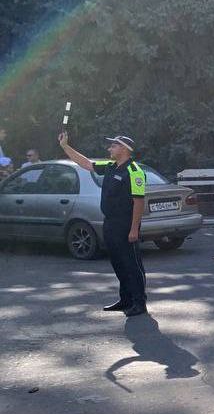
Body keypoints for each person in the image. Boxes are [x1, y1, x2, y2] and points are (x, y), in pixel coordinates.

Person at [58, 132, 148, 316]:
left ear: (124, 149)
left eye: (113, 146)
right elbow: (86, 163)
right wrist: (65, 147)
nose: (109, 149)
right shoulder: (110, 166)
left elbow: (139, 202)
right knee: (118, 263)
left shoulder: (134, 172)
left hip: (126, 224)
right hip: (110, 223)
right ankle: (126, 300)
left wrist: (133, 229)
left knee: (132, 264)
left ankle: (139, 302)